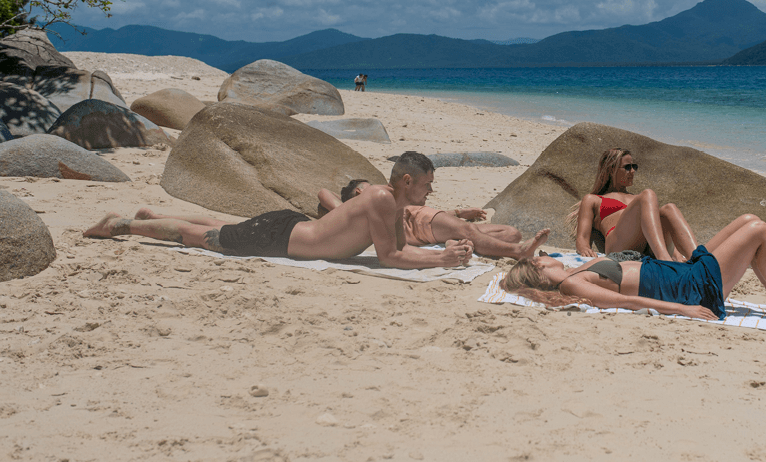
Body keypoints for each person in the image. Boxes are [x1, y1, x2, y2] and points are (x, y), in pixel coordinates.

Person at [82, 152, 473, 269]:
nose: (430, 191)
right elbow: (389, 256)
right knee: (199, 237)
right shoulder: (383, 199)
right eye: (426, 185)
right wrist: (442, 261)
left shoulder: (390, 202)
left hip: (291, 228)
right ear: (406, 182)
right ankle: (123, 225)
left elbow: (400, 244)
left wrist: (442, 253)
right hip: (280, 238)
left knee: (221, 224)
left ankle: (151, 216)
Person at [504, 213, 766, 323]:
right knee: (758, 230)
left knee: (746, 221)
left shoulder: (578, 269)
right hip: (690, 289)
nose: (540, 257)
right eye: (536, 261)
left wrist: (527, 254)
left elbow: (519, 265)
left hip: (683, 273)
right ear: (539, 273)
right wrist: (680, 310)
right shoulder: (571, 285)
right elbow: (627, 302)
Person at [318, 181, 550, 260]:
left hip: (427, 227)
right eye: (370, 187)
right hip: (423, 221)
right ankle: (518, 252)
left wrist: (460, 213)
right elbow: (323, 193)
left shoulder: (381, 210)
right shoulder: (361, 208)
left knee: (511, 232)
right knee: (474, 233)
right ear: (359, 193)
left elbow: (432, 219)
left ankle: (459, 243)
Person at [569, 147, 698, 262]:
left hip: (646, 246)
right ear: (611, 169)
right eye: (627, 167)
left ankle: (700, 260)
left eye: (634, 167)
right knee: (648, 194)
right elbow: (582, 238)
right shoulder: (593, 199)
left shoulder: (638, 199)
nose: (632, 171)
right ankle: (664, 259)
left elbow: (656, 228)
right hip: (617, 245)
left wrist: (675, 253)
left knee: (670, 208)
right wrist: (584, 248)